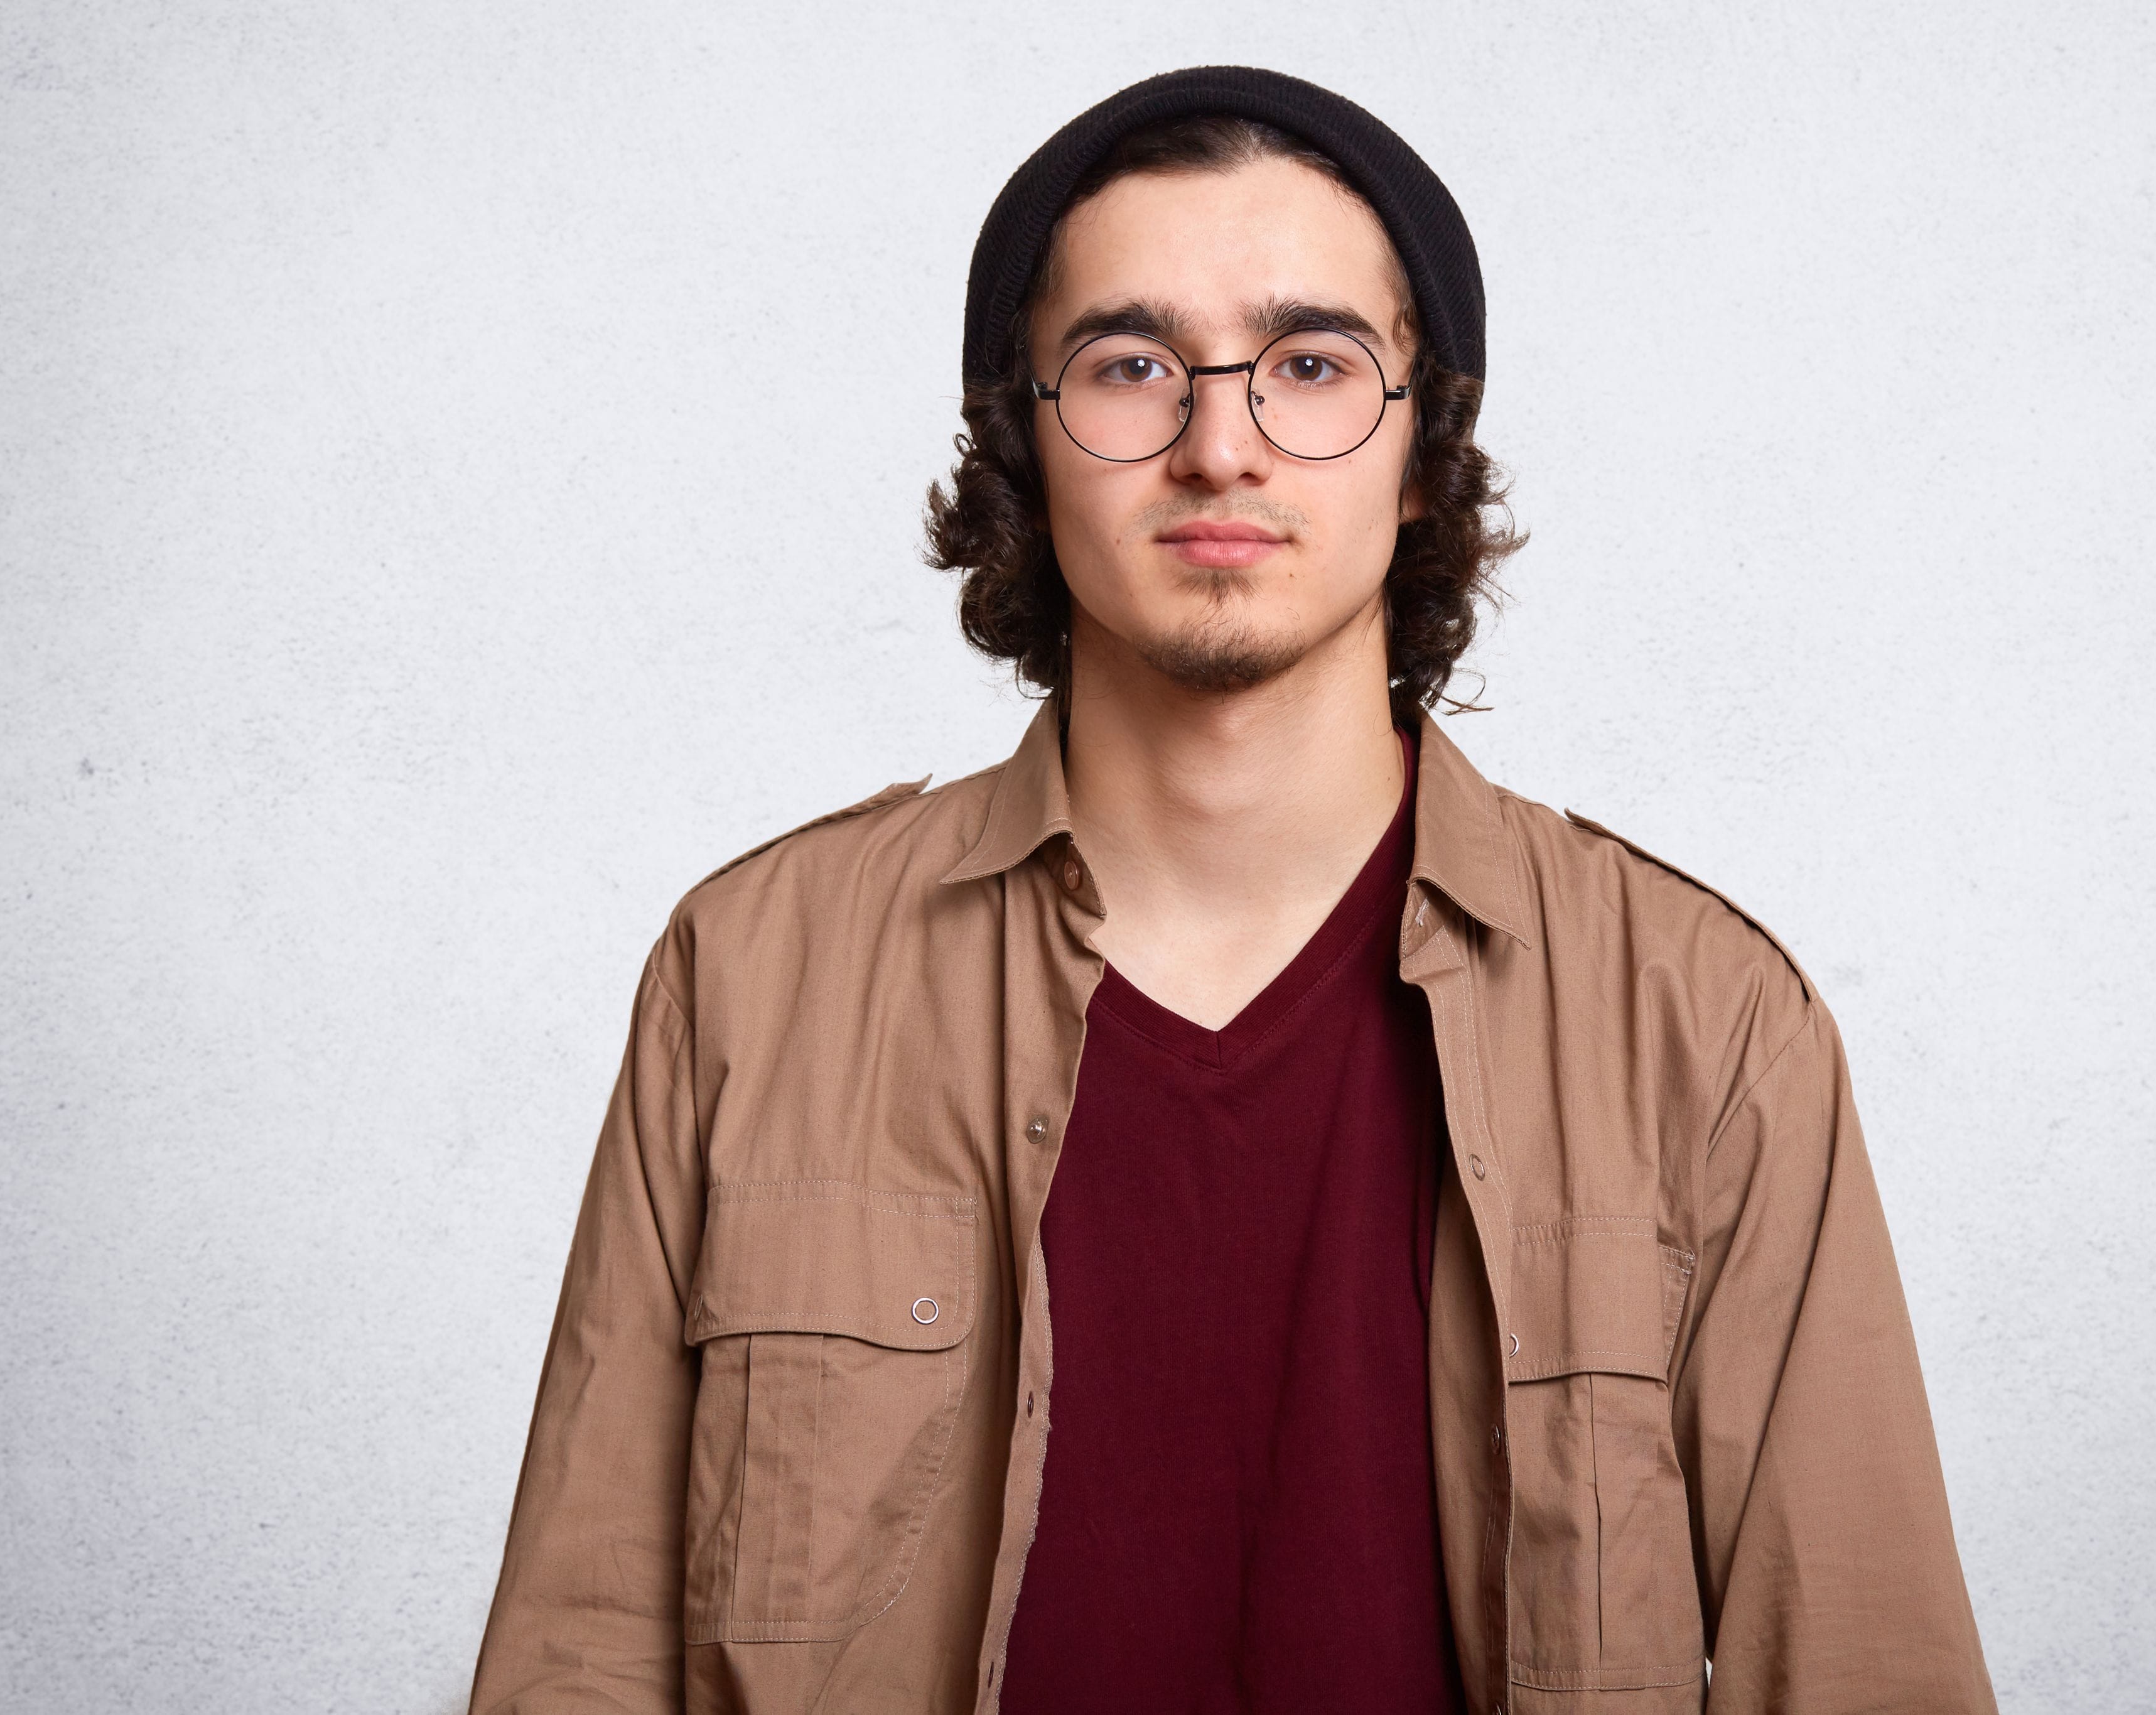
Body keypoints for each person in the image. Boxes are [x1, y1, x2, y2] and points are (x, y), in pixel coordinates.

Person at [469, 66, 1996, 1715]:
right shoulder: (753, 975)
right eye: (1131, 366)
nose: (1219, 445)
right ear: (1026, 442)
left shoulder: (1706, 1022)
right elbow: (579, 1662)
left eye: (1310, 365)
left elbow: (1869, 1674)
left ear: (1423, 453)